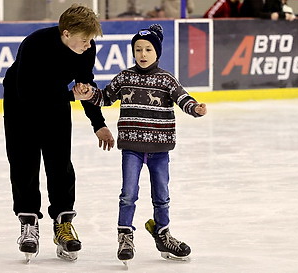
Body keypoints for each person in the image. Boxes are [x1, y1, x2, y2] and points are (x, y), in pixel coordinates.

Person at [73, 24, 207, 263]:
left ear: (157, 52)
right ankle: (125, 236)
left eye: (148, 49)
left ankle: (163, 233)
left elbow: (182, 98)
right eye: (138, 49)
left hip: (160, 149)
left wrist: (195, 108)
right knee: (128, 194)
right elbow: (106, 97)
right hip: (132, 148)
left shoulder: (166, 79)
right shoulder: (125, 77)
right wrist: (89, 94)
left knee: (162, 195)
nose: (143, 54)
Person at [2, 4, 114, 262]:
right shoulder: (34, 44)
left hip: (56, 104)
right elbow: (26, 93)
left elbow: (85, 87)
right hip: (21, 105)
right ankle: (29, 223)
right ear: (66, 34)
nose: (88, 46)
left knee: (60, 163)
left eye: (90, 40)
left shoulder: (86, 49)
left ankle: (63, 223)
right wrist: (67, 96)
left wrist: (98, 123)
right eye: (84, 40)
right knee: (23, 162)